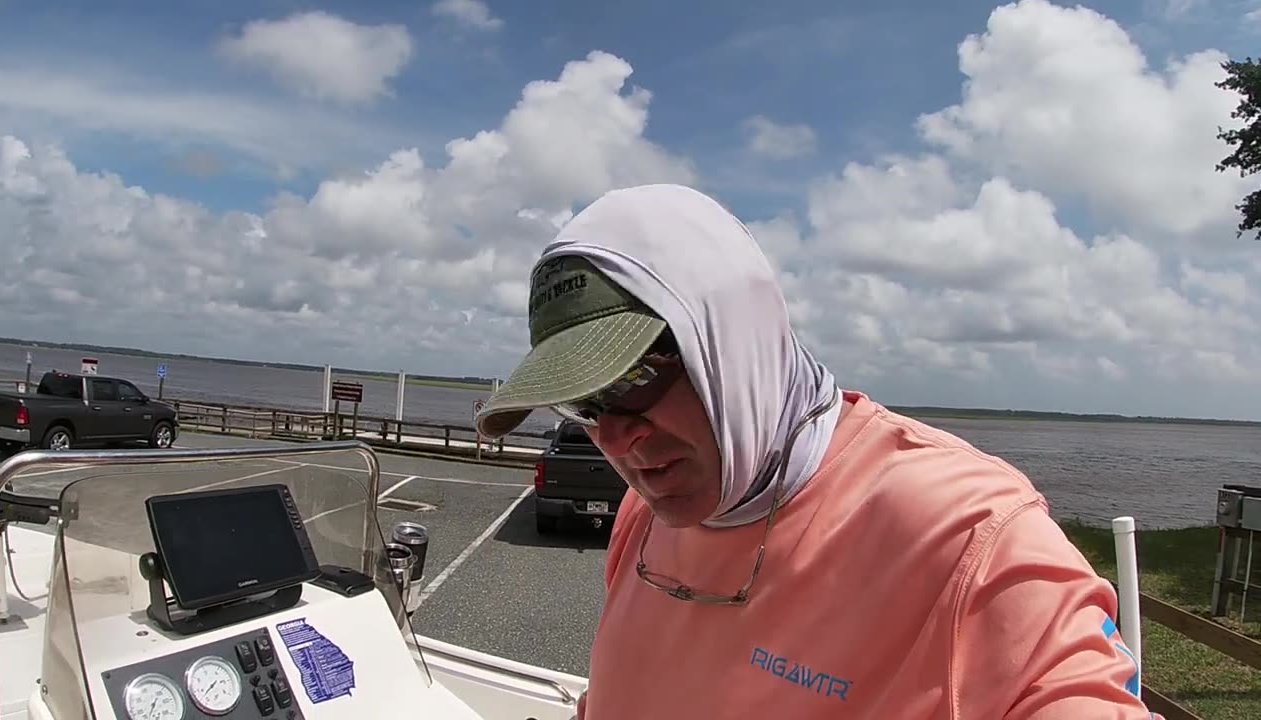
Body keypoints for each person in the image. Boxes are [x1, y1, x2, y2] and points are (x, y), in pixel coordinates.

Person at [475, 183, 1161, 719]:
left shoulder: (966, 533)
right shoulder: (646, 516)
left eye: (633, 380)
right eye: (583, 404)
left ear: (735, 337)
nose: (616, 438)